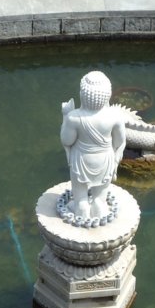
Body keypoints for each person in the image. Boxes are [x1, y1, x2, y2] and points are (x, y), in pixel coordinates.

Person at [59, 71, 127, 220]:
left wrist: (65, 114)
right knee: (100, 197)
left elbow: (67, 141)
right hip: (105, 161)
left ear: (82, 94)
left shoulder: (73, 117)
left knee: (80, 195)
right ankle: (98, 204)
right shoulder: (115, 116)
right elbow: (119, 142)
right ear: (108, 95)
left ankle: (81, 206)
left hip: (81, 161)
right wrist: (116, 158)